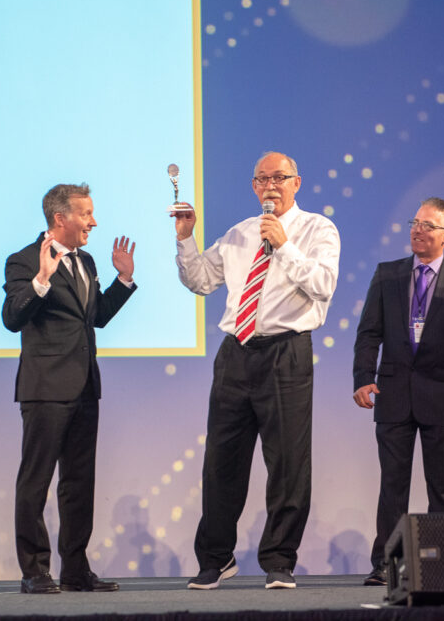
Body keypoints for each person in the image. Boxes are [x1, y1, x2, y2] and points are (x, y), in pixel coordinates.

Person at [172, 151, 340, 590]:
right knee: (221, 462)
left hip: (286, 352)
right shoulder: (240, 233)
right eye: (263, 179)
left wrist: (283, 245)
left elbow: (322, 284)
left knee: (287, 462)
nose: (271, 185)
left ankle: (279, 560)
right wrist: (186, 240)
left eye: (279, 177)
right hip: (236, 353)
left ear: (297, 183)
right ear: (253, 187)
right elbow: (201, 281)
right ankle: (215, 558)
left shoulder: (318, 229)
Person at [2, 183, 137, 594]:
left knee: (79, 484)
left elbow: (93, 317)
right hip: (44, 389)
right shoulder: (24, 260)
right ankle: (35, 571)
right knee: (36, 482)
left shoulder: (88, 261)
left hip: (84, 389)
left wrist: (124, 280)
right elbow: (11, 317)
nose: (93, 222)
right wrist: (41, 280)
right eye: (85, 214)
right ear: (60, 218)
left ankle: (76, 571)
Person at [352, 197, 444, 587]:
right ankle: (387, 564)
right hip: (393, 393)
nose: (417, 229)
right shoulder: (387, 274)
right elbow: (369, 333)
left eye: (427, 225)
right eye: (414, 222)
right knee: (392, 485)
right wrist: (363, 377)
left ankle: (442, 563)